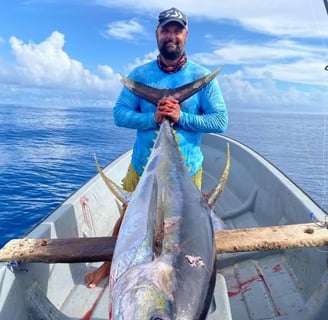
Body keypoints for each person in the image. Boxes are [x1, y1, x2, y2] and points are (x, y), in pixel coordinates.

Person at [85, 7, 228, 288]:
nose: (171, 35)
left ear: (186, 35)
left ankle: (183, 269)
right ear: (157, 34)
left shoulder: (202, 77)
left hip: (186, 171)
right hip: (143, 167)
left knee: (185, 226)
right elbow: (119, 114)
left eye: (177, 30)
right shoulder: (140, 75)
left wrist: (180, 117)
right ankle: (109, 263)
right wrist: (153, 117)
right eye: (166, 30)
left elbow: (220, 121)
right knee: (129, 219)